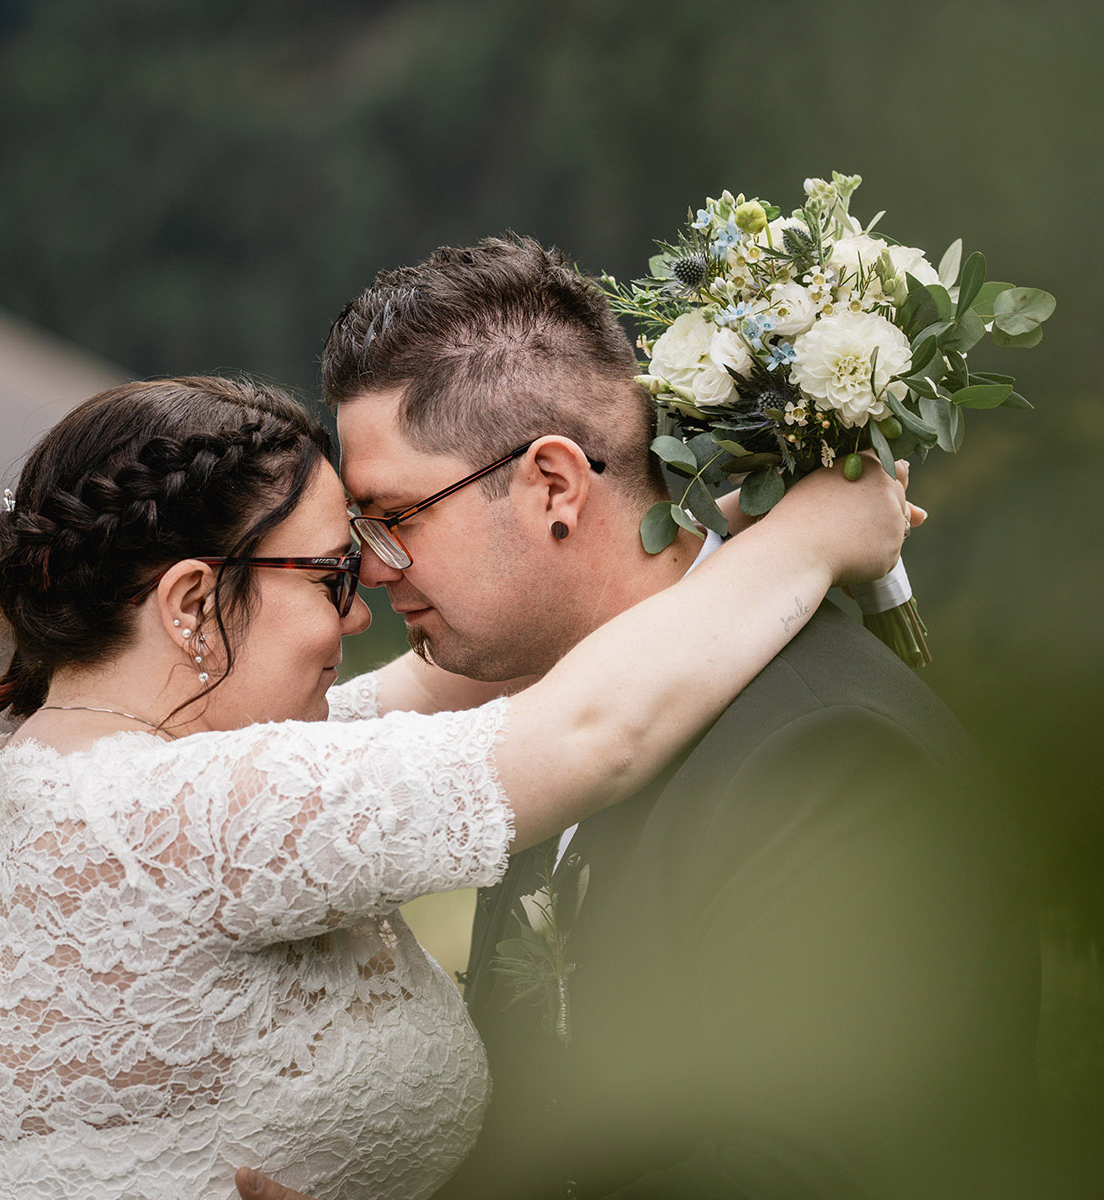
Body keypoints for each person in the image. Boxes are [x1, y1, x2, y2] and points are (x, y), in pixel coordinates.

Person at [0, 374, 914, 1200]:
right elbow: (591, 732)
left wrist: (678, 546)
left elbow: (436, 678)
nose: (361, 614)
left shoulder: (63, 764)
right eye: (333, 578)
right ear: (194, 602)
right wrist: (812, 538)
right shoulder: (190, 813)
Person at [236, 238, 1039, 1200]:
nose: (369, 567)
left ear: (553, 487)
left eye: (396, 515)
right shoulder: (547, 714)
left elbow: (816, 1168)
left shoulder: (826, 749)